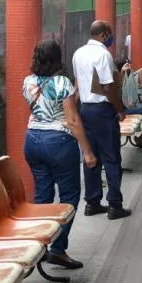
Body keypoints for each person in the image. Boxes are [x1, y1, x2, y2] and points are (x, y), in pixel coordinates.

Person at [23, 39, 97, 269]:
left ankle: (37, 247)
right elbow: (73, 120)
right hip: (58, 142)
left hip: (32, 140)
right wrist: (87, 151)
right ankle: (57, 248)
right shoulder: (62, 83)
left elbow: (36, 109)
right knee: (69, 196)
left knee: (42, 196)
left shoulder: (28, 81)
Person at [71, 20, 132, 220]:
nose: (111, 38)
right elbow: (108, 87)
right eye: (110, 34)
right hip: (103, 111)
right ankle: (115, 205)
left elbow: (78, 84)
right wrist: (119, 109)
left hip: (85, 110)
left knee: (90, 156)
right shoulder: (103, 54)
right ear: (104, 35)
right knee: (112, 158)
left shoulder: (78, 53)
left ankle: (92, 203)